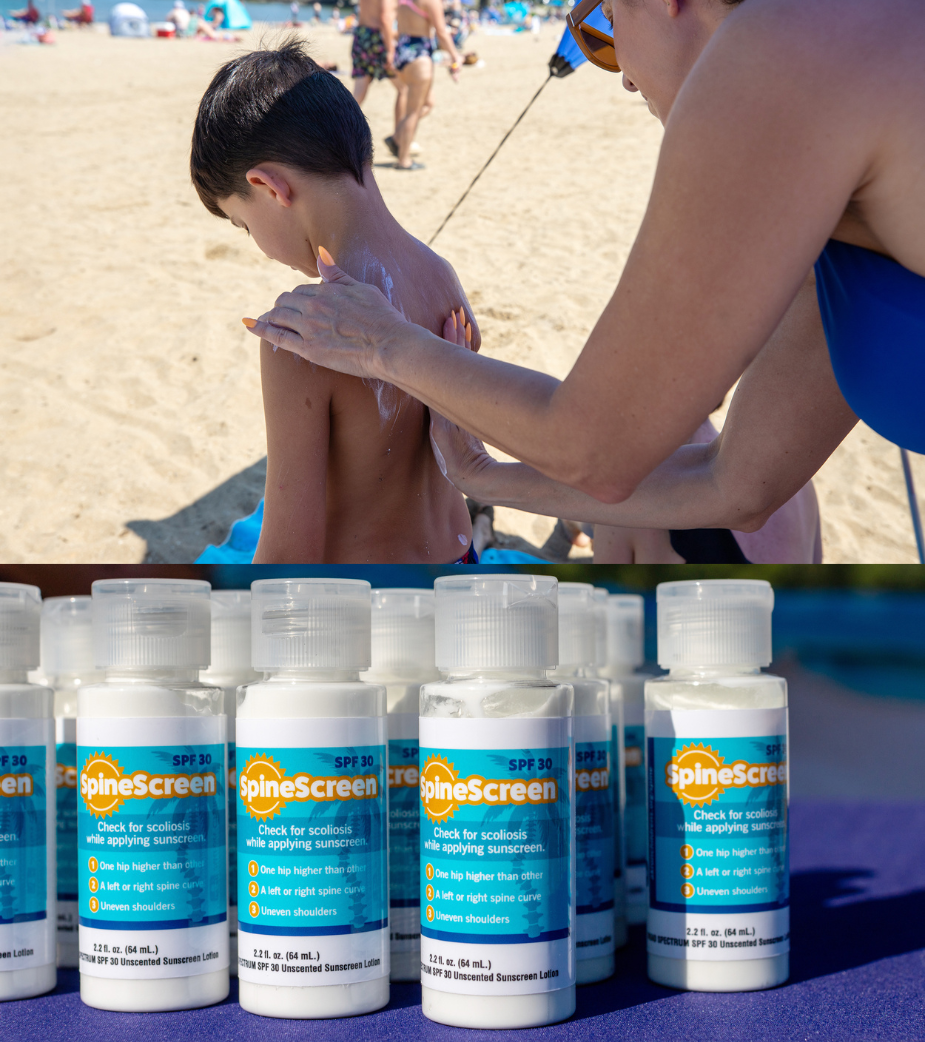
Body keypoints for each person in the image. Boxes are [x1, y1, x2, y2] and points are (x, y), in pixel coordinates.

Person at [240, 0, 925, 561]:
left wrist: (384, 344)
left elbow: (594, 446)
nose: (621, 75)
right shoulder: (825, 207)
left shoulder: (781, 48)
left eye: (599, 30)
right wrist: (483, 478)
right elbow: (738, 483)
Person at [191, 41, 480, 564]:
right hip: (460, 562)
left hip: (368, 604)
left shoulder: (303, 336)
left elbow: (287, 559)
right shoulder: (442, 277)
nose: (253, 240)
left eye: (243, 223)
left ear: (268, 187)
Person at [389, 0, 463, 169]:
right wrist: (455, 57)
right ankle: (404, 159)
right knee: (413, 112)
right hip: (419, 55)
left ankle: (397, 137)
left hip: (402, 52)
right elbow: (442, 33)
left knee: (428, 103)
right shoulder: (430, 1)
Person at [351, 0, 396, 106]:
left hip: (361, 33)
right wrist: (390, 49)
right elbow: (385, 18)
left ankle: (340, 120)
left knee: (359, 91)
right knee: (404, 89)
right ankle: (401, 123)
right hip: (375, 37)